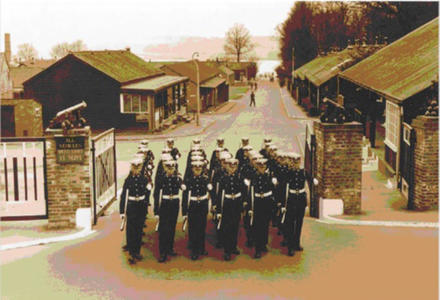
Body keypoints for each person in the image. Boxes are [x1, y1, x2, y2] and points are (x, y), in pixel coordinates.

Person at [153, 160, 186, 263]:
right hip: (165, 204)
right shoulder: (161, 179)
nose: (170, 170)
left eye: (172, 168)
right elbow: (157, 195)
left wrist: (181, 182)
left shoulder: (177, 178)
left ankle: (170, 248)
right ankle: (162, 252)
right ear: (165, 168)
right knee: (163, 228)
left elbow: (182, 186)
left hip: (174, 204)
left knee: (172, 226)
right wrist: (156, 211)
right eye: (168, 168)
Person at [120, 158, 150, 264]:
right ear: (132, 168)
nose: (136, 169)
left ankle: (137, 251)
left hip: (140, 207)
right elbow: (124, 196)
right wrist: (122, 212)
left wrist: (145, 205)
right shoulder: (128, 181)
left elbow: (147, 194)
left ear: (141, 167)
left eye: (138, 167)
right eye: (134, 167)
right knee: (131, 230)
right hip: (131, 207)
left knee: (138, 230)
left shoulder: (144, 180)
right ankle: (132, 253)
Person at [247, 158, 278, 258]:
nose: (262, 168)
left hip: (266, 202)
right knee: (257, 226)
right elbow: (250, 193)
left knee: (265, 224)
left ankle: (264, 244)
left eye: (263, 167)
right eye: (260, 167)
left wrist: (274, 205)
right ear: (257, 167)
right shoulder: (253, 177)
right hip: (257, 203)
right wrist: (250, 207)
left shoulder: (269, 177)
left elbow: (273, 192)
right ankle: (258, 248)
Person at [182, 161, 213, 260]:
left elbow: (210, 192)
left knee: (202, 227)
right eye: (196, 169)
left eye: (199, 169)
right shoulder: (188, 180)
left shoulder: (205, 179)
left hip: (203, 205)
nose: (198, 171)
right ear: (192, 169)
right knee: (193, 228)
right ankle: (194, 250)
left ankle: (202, 248)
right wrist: (184, 211)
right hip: (193, 206)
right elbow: (185, 197)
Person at [217, 158, 246, 261]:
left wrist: (243, 206)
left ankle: (233, 247)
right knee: (227, 227)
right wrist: (219, 210)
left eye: (234, 166)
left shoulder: (240, 177)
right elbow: (220, 195)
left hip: (236, 204)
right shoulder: (223, 179)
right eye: (230, 166)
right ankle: (227, 250)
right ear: (227, 167)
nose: (232, 169)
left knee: (235, 226)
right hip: (227, 204)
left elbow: (244, 192)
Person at [280, 152, 307, 256]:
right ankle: (290, 246)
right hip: (291, 200)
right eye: (293, 162)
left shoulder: (302, 172)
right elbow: (284, 189)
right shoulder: (287, 173)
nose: (295, 164)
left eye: (297, 162)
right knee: (290, 223)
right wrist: (283, 204)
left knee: (299, 223)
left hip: (300, 199)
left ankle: (296, 243)